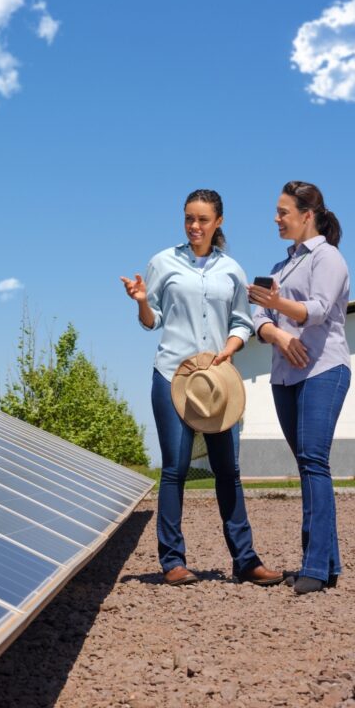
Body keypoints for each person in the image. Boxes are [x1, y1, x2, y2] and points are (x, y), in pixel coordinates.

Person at [121, 189, 283, 587]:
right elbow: (151, 320)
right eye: (188, 219)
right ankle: (173, 561)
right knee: (175, 469)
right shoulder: (163, 262)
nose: (195, 226)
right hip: (172, 376)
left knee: (228, 470)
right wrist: (142, 301)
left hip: (216, 380)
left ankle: (246, 561)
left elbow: (242, 323)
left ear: (219, 222)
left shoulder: (231, 269)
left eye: (203, 220)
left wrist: (226, 352)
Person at [248, 180, 350, 595]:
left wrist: (275, 307)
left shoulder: (329, 259)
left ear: (307, 215)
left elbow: (318, 311)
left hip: (323, 369)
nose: (276, 218)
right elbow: (256, 316)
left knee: (313, 462)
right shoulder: (282, 265)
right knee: (308, 466)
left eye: (283, 211)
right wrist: (276, 332)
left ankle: (314, 565)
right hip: (285, 375)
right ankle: (327, 564)